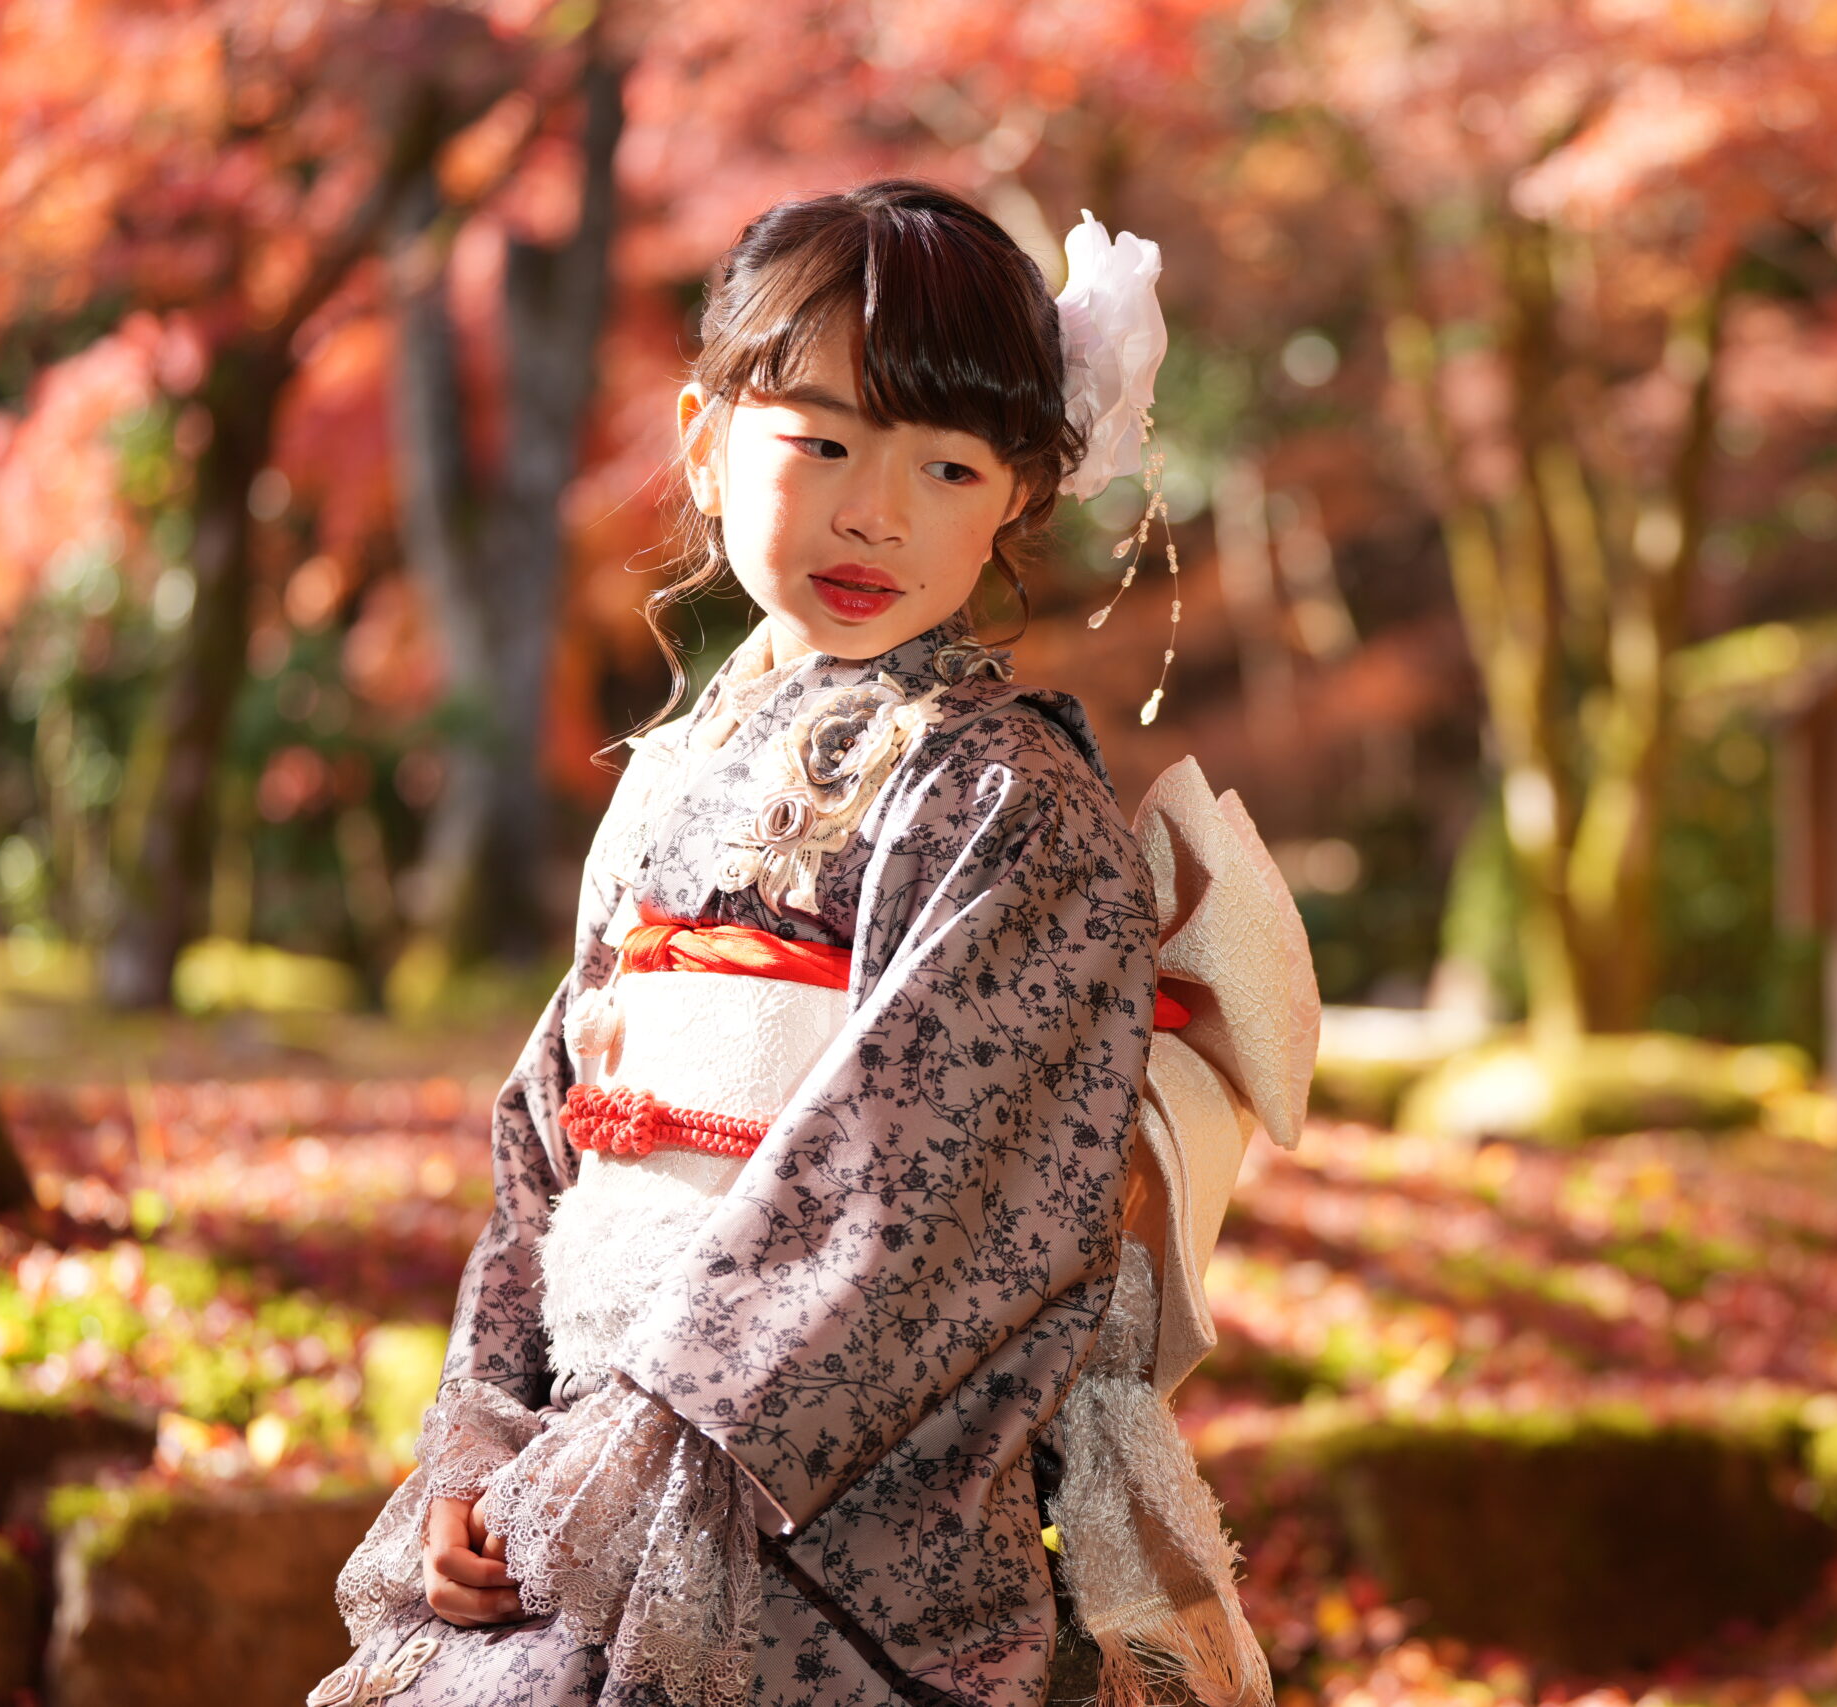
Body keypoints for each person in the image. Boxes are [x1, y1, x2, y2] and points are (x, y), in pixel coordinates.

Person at [314, 180, 1318, 1707]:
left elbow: (913, 1196)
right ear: (706, 444)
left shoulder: (1010, 804)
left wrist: (643, 1453)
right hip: (576, 1449)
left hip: (834, 1521)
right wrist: (481, 1440)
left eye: (947, 465)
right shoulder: (670, 774)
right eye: (823, 443)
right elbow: (548, 1142)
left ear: (1017, 500)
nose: (875, 513)